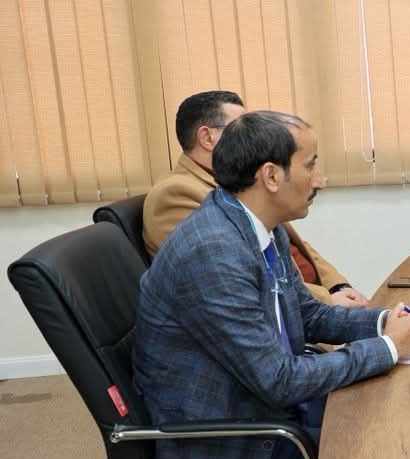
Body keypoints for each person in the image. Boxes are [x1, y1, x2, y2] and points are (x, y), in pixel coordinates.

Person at [133, 111, 410, 459]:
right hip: (236, 447)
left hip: (265, 407)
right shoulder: (214, 251)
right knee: (404, 450)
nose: (320, 179)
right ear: (271, 176)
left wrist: (384, 321)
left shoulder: (258, 226)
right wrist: (387, 348)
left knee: (401, 411)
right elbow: (278, 380)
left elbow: (306, 315)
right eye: (311, 165)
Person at [143, 90, 368, 307]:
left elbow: (295, 248)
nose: (251, 134)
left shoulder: (247, 182)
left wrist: (337, 286)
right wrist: (328, 300)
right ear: (207, 138)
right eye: (238, 127)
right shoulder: (175, 193)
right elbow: (236, 279)